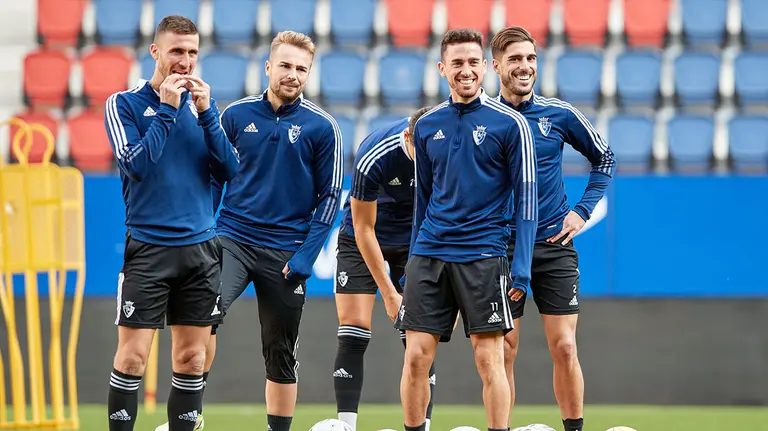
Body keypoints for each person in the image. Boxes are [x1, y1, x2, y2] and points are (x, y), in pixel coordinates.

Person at [194, 30, 342, 431]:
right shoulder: (236, 116)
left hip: (286, 253)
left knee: (280, 352)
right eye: (286, 65)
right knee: (202, 319)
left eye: (301, 68)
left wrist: (306, 257)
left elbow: (330, 198)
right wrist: (203, 233)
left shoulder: (323, 127)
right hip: (232, 239)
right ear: (268, 67)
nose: (293, 74)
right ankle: (190, 418)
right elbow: (213, 178)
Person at [395, 28, 538, 431]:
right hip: (430, 254)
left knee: (488, 359)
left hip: (483, 255)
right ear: (443, 69)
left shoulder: (511, 125)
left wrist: (522, 267)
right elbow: (421, 201)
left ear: (485, 68)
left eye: (473, 62)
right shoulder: (426, 125)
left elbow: (527, 205)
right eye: (457, 63)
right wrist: (411, 261)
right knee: (416, 357)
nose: (466, 70)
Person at [103, 14, 239, 431]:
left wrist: (208, 115)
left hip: (200, 250)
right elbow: (135, 165)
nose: (185, 61)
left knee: (192, 359)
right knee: (132, 357)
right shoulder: (124, 104)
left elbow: (231, 170)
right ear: (156, 52)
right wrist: (166, 109)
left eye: (193, 52)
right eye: (177, 51)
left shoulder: (205, 111)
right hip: (148, 248)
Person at [490, 26, 616, 431]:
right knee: (504, 350)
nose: (525, 67)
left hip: (553, 243)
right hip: (503, 249)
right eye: (515, 60)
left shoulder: (558, 114)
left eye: (531, 58)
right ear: (496, 66)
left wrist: (581, 210)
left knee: (564, 346)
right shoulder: (483, 119)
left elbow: (605, 159)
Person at [333, 107, 435, 431]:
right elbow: (364, 229)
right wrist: (391, 293)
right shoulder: (374, 155)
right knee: (354, 328)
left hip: (414, 239)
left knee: (420, 337)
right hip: (363, 235)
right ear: (408, 137)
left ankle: (421, 426)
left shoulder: (446, 155)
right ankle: (346, 425)